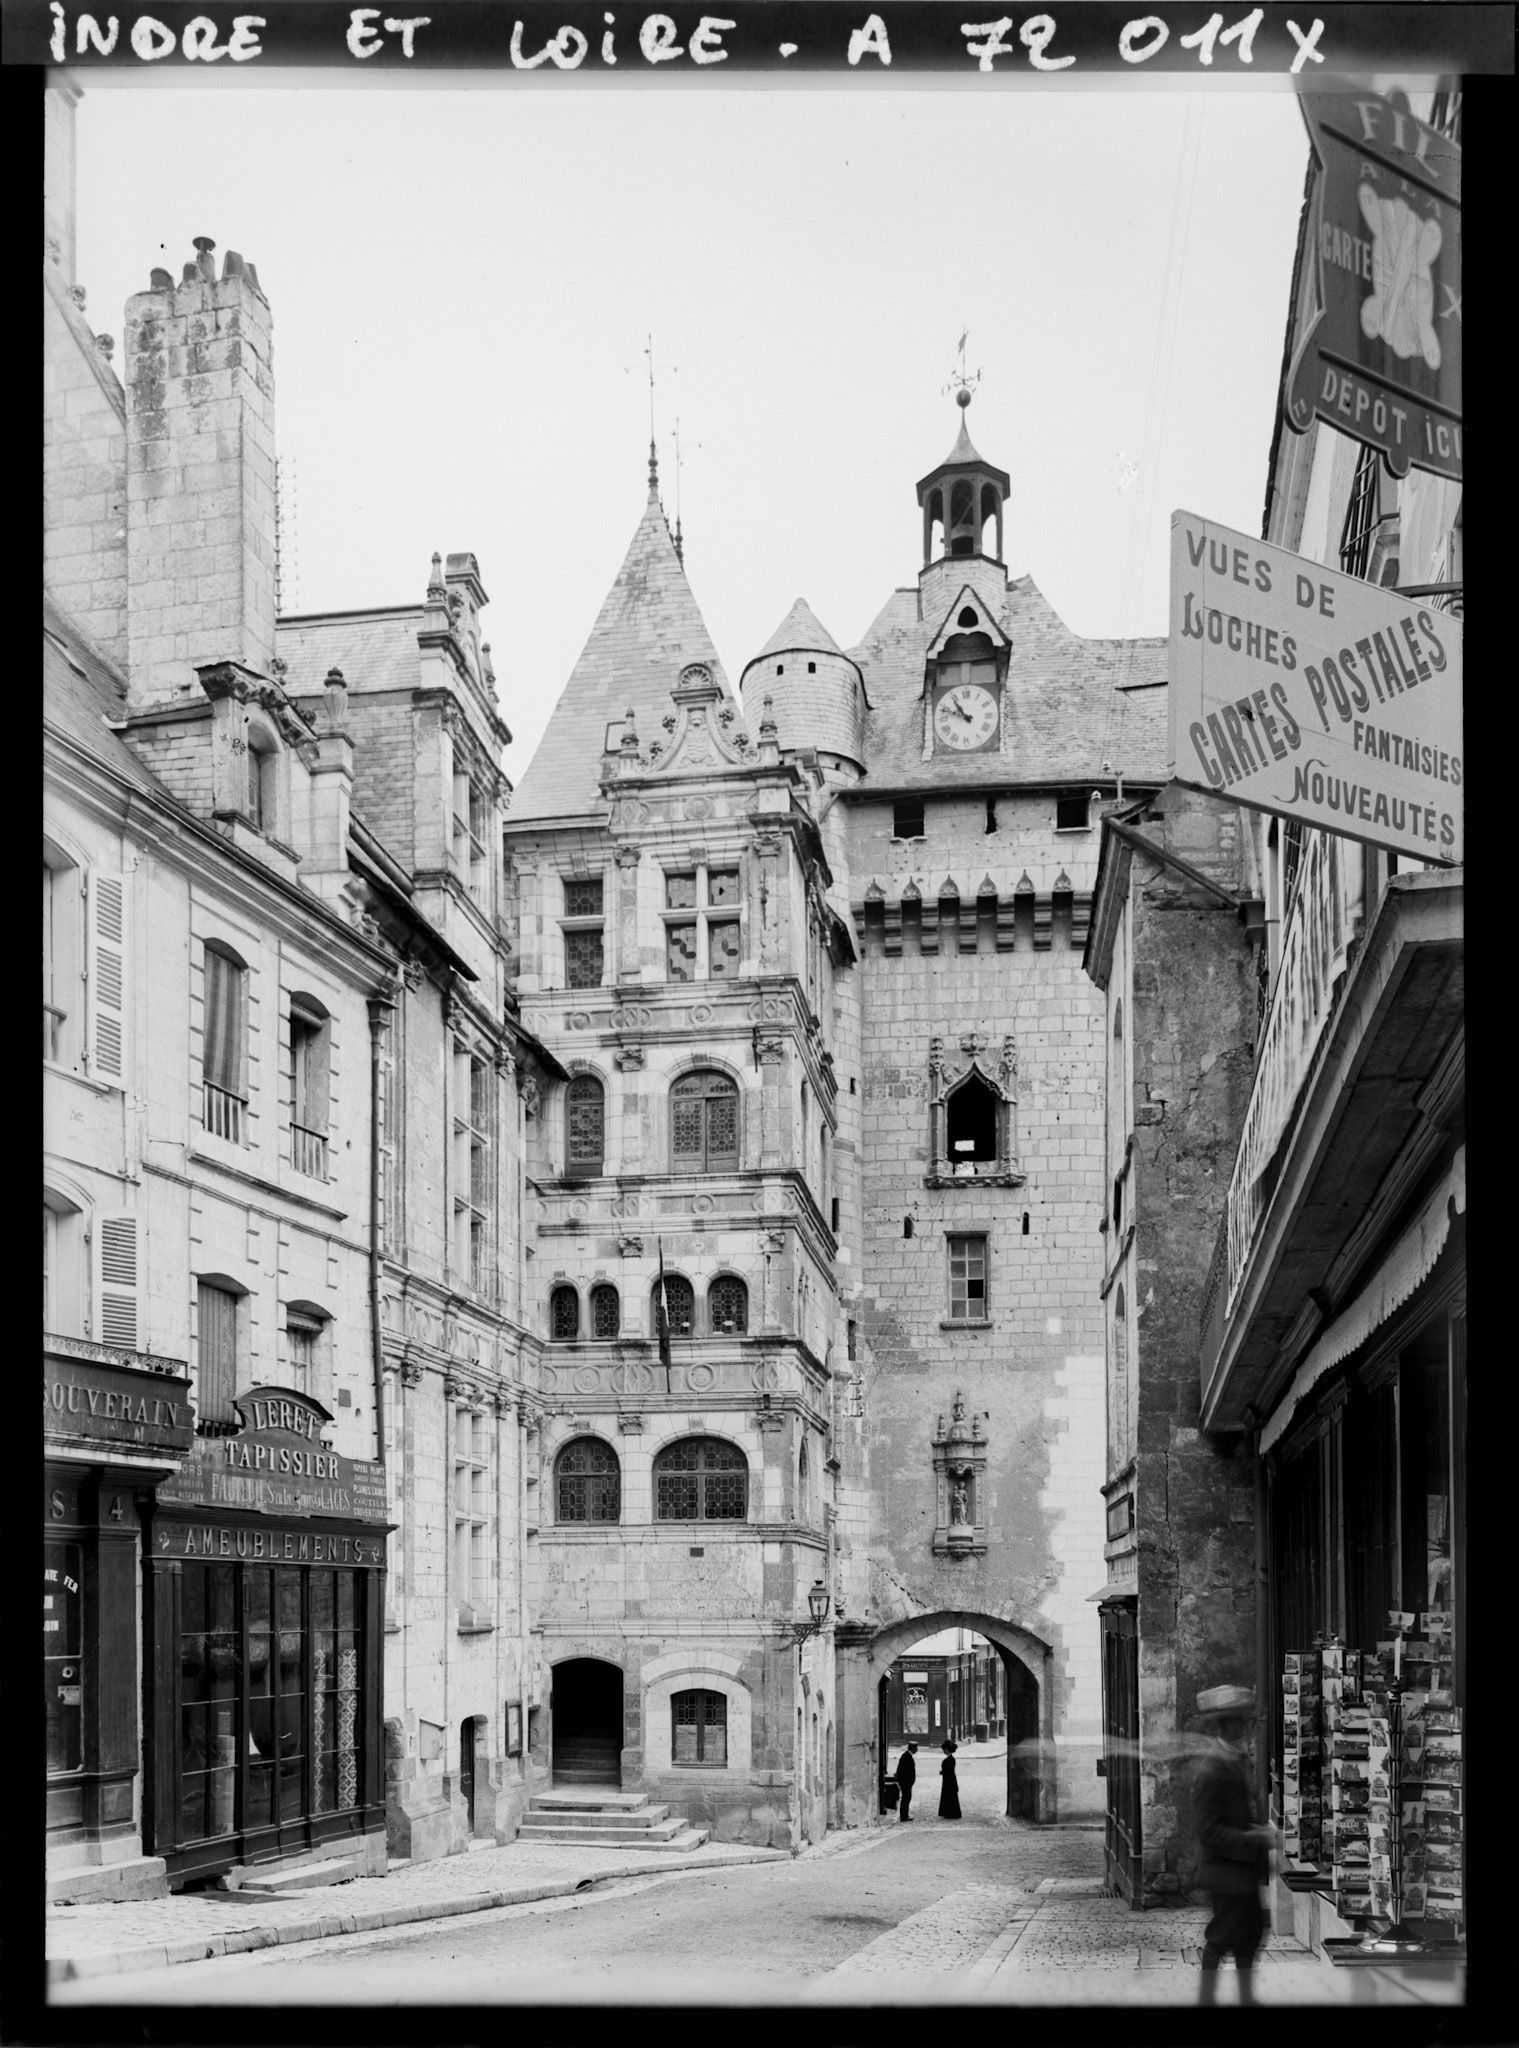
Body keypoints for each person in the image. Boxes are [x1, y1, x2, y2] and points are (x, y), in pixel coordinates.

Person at [1191, 1683, 1277, 2007]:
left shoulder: (1234, 1761)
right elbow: (1207, 1831)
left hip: (1241, 1871)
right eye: (1241, 1721)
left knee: (1250, 1936)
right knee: (1222, 1937)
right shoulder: (1211, 1770)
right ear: (1228, 1724)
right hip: (1225, 1873)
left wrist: (1254, 1830)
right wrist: (1251, 1838)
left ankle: (1245, 1997)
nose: (1246, 1727)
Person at [894, 1742, 918, 1821]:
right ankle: (904, 1816)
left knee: (906, 1798)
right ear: (913, 1748)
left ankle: (905, 1814)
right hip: (905, 1783)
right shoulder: (906, 1757)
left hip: (906, 1783)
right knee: (906, 1798)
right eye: (916, 1748)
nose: (917, 1750)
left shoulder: (906, 1756)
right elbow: (903, 1771)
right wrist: (907, 1782)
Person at [938, 1739, 961, 1819]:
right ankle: (949, 1812)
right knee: (949, 1796)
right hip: (948, 1779)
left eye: (944, 1749)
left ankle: (950, 1812)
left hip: (949, 1780)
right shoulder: (950, 1759)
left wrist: (943, 1772)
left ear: (947, 1749)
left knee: (950, 1796)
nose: (943, 1751)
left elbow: (949, 1771)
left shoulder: (950, 1759)